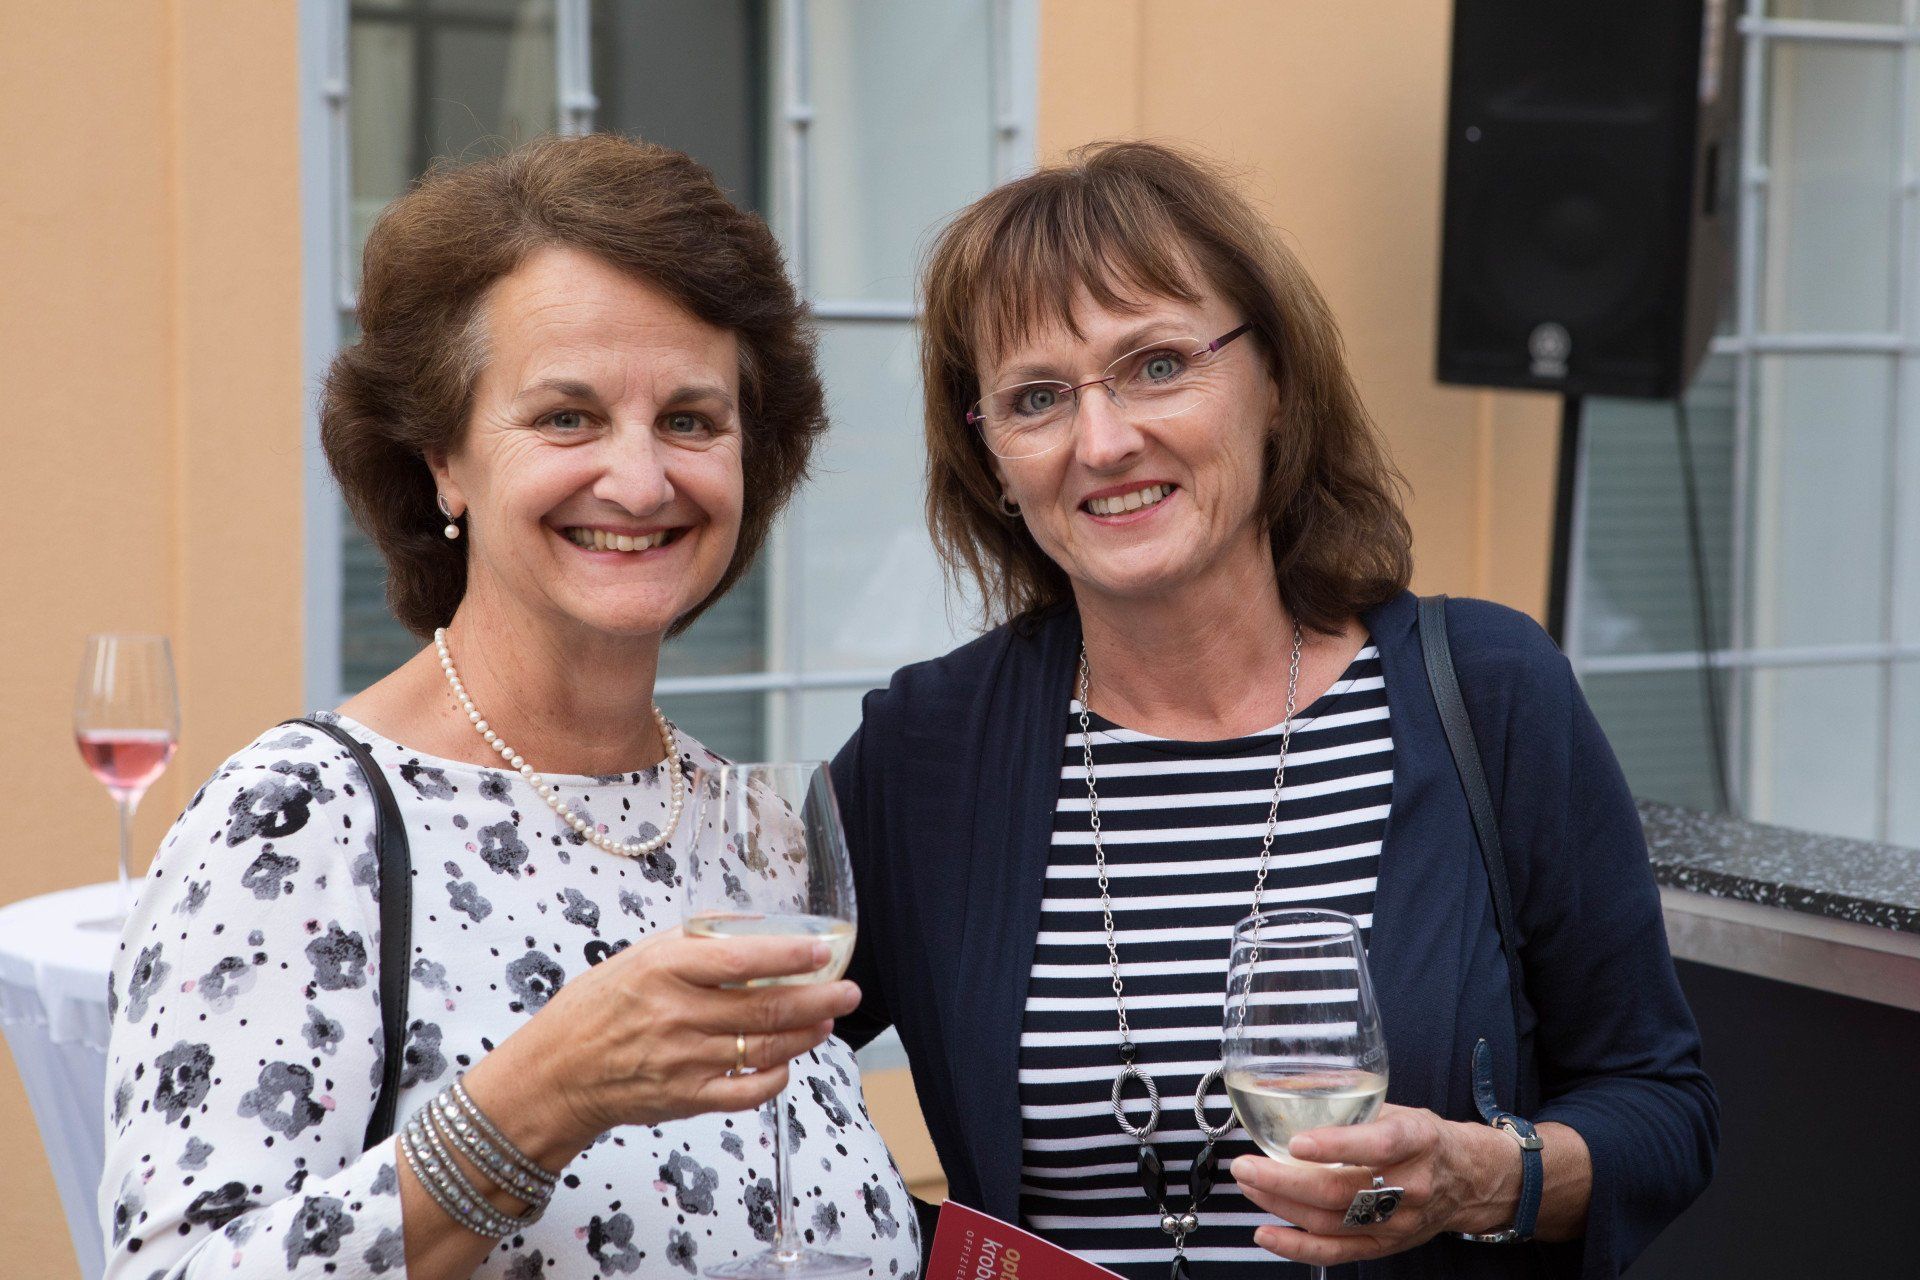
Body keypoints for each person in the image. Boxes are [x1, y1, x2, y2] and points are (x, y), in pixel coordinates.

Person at [832, 141, 1717, 1278]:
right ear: (993, 458)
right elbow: (731, 1082)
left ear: (1277, 384)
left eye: (1156, 365)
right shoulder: (930, 754)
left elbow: (1666, 1106)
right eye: (1038, 397)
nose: (1102, 441)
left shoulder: (1489, 692)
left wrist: (1483, 1175)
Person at [99, 134, 919, 1280]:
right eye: (567, 418)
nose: (640, 481)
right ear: (443, 457)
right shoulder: (298, 823)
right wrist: (543, 1095)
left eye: (690, 419)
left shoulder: (759, 834)